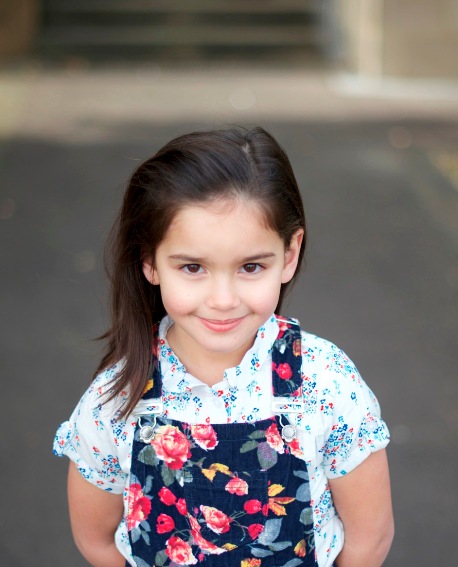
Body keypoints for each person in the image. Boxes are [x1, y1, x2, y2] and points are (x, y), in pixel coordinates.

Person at [54, 126, 394, 567]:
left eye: (250, 266)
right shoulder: (117, 399)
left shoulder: (325, 383)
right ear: (149, 260)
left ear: (289, 254)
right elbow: (97, 540)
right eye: (192, 267)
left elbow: (369, 539)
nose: (223, 299)